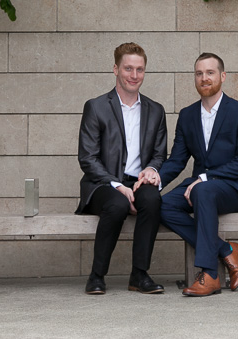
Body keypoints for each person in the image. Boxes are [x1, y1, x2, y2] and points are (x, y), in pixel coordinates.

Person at [150, 52, 238, 297]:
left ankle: (210, 275)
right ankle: (225, 250)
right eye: (199, 73)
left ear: (222, 76)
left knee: (203, 188)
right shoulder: (187, 115)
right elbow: (177, 160)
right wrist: (155, 180)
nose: (204, 78)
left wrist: (205, 178)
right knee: (160, 204)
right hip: (201, 189)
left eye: (210, 73)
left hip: (236, 188)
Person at [76, 42, 168, 295]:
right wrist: (116, 185)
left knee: (152, 200)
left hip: (137, 182)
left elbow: (160, 153)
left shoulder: (156, 110)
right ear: (116, 69)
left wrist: (151, 169)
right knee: (116, 204)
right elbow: (87, 157)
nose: (134, 75)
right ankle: (97, 275)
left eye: (139, 69)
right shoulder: (96, 106)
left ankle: (139, 275)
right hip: (102, 184)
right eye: (128, 68)